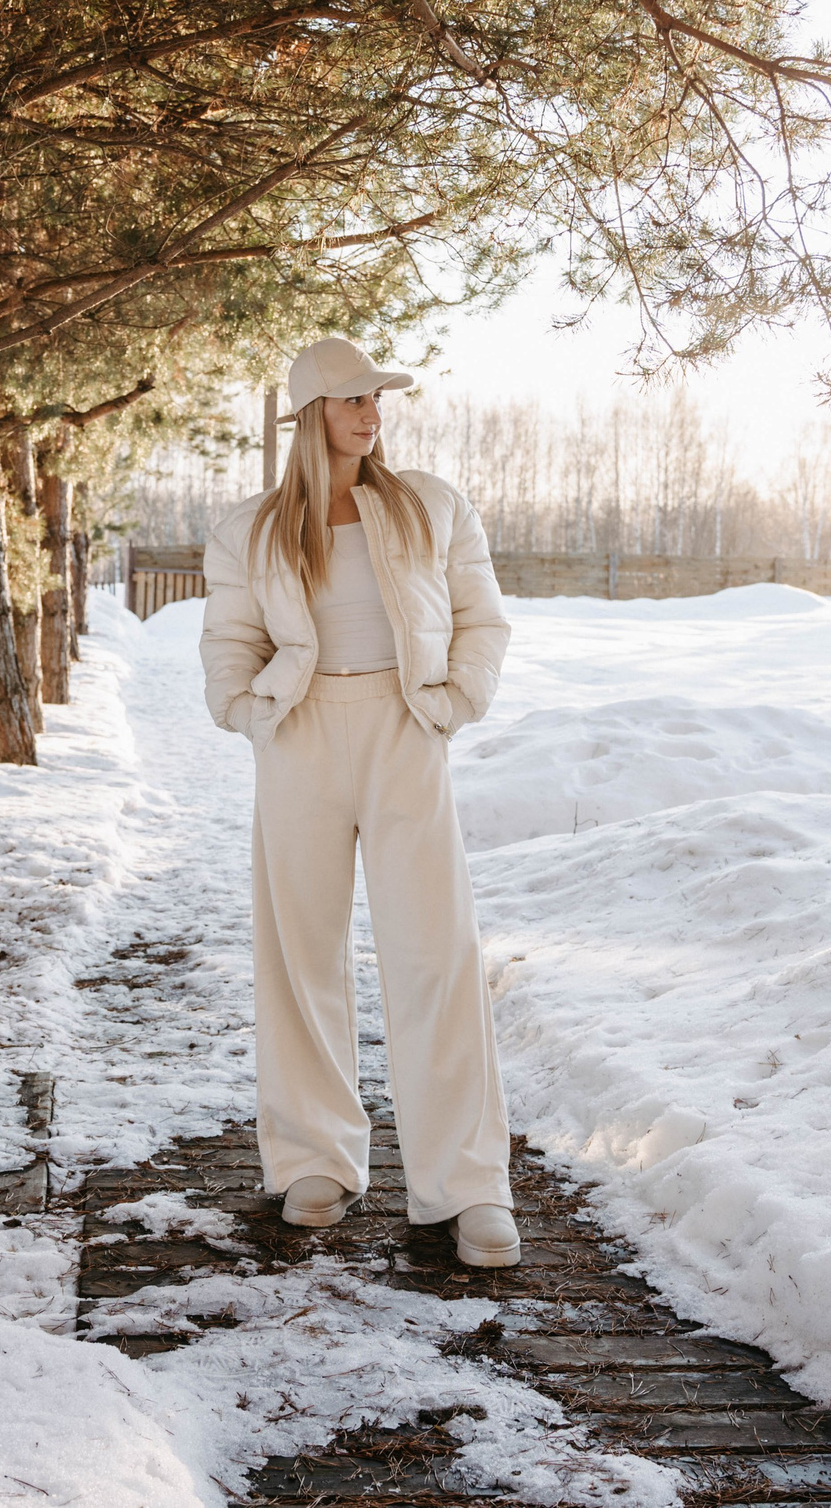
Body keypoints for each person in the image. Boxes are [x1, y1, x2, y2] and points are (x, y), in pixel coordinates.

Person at [198, 337, 520, 1267]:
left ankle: (466, 1184)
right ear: (310, 414)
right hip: (300, 734)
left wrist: (457, 698)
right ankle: (314, 1160)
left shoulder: (429, 506)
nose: (371, 412)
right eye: (351, 399)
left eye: (377, 396)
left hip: (403, 727)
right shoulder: (249, 528)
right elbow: (230, 638)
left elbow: (480, 617)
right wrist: (248, 709)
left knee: (436, 952)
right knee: (301, 951)